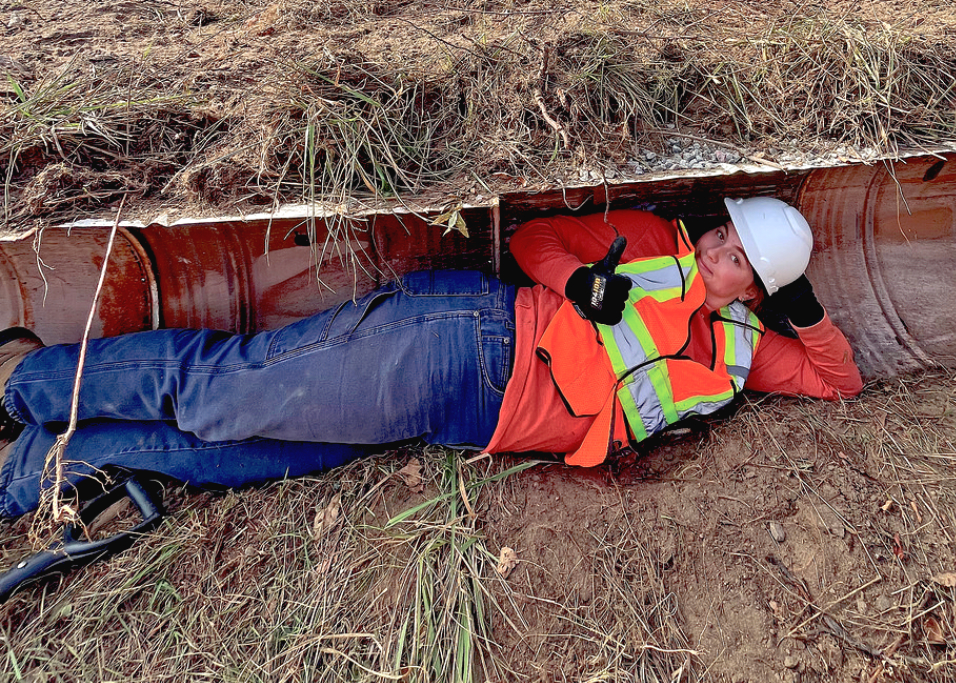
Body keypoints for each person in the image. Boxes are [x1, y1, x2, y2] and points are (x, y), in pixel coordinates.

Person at [0, 198, 861, 518]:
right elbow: (536, 236)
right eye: (722, 230)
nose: (717, 244)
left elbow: (838, 382)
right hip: (463, 337)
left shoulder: (742, 355)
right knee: (228, 391)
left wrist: (806, 313)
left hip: (461, 416)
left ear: (754, 288)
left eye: (737, 253)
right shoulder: (645, 241)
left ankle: (31, 468)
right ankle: (27, 382)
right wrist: (577, 283)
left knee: (236, 453)